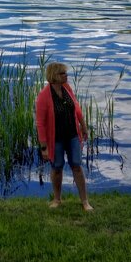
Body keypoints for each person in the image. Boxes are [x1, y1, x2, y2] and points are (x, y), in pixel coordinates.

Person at [35, 61, 93, 211]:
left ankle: (85, 201)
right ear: (54, 76)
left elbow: (77, 108)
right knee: (57, 168)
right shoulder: (43, 96)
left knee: (77, 166)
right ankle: (57, 199)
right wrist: (44, 147)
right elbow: (40, 123)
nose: (66, 75)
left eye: (65, 73)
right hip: (56, 139)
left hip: (72, 135)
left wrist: (84, 127)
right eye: (62, 73)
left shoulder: (67, 88)